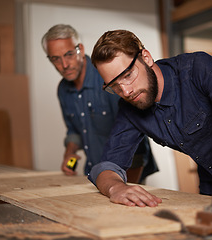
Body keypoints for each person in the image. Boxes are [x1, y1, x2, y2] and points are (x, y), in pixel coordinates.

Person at [88, 29, 212, 207]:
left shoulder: (196, 68)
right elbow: (107, 167)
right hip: (211, 180)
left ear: (147, 58)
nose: (125, 90)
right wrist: (116, 188)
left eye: (127, 75)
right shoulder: (129, 106)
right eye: (114, 85)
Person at [41, 25, 158, 183]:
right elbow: (74, 130)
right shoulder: (63, 89)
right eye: (55, 58)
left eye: (68, 54)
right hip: (94, 173)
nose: (64, 64)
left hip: (126, 174)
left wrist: (124, 186)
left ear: (80, 49)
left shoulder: (108, 78)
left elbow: (135, 135)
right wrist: (69, 153)